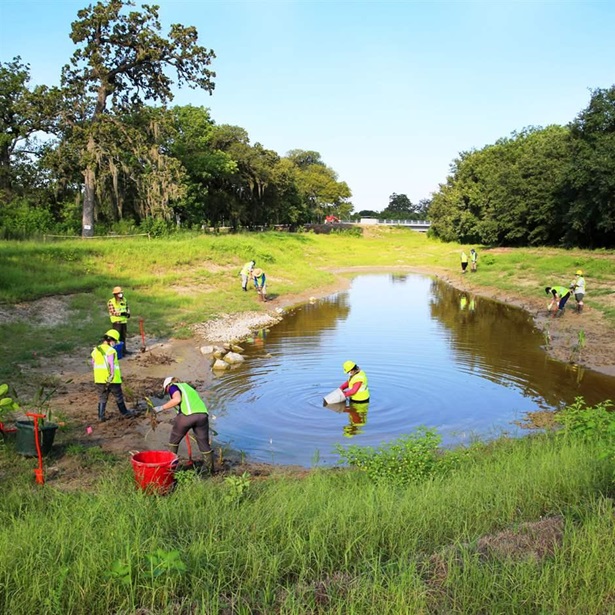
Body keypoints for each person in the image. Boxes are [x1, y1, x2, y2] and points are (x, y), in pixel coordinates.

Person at [153, 377, 214, 475]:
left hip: (187, 416)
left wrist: (159, 408)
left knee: (173, 442)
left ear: (167, 386)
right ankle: (209, 472)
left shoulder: (173, 387)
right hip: (203, 416)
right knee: (204, 444)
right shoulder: (187, 387)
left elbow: (177, 399)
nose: (168, 393)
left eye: (166, 391)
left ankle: (170, 470)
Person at [91, 329, 136, 421]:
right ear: (111, 341)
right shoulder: (111, 350)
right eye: (115, 342)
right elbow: (111, 363)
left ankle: (101, 416)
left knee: (102, 397)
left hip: (99, 379)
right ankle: (124, 412)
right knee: (118, 396)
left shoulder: (96, 350)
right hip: (112, 379)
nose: (115, 344)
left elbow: (93, 363)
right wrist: (111, 375)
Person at [107, 286, 131, 353]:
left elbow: (127, 307)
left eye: (121, 293)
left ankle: (124, 350)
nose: (121, 294)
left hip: (124, 321)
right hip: (116, 322)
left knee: (123, 337)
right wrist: (121, 314)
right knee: (116, 337)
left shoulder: (124, 300)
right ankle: (116, 351)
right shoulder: (111, 302)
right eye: (119, 293)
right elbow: (112, 312)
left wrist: (128, 313)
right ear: (115, 294)